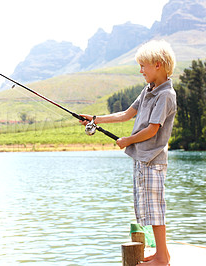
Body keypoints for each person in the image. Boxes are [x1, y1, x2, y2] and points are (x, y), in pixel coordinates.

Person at [80, 40, 176, 266]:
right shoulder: (148, 91)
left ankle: (162, 258)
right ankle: (163, 254)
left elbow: (153, 129)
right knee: (149, 209)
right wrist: (95, 119)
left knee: (155, 208)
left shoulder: (165, 95)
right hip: (143, 158)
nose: (140, 70)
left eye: (144, 66)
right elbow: (126, 114)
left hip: (152, 159)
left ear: (159, 65)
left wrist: (127, 141)